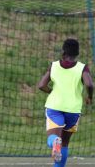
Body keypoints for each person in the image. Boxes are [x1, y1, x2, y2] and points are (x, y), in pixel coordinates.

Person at [37, 38, 93, 167]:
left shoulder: (54, 65)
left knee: (53, 138)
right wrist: (90, 97)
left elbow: (41, 85)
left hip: (54, 107)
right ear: (77, 53)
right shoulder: (82, 68)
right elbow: (89, 84)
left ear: (63, 51)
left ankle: (55, 141)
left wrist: (50, 91)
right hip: (73, 110)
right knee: (65, 143)